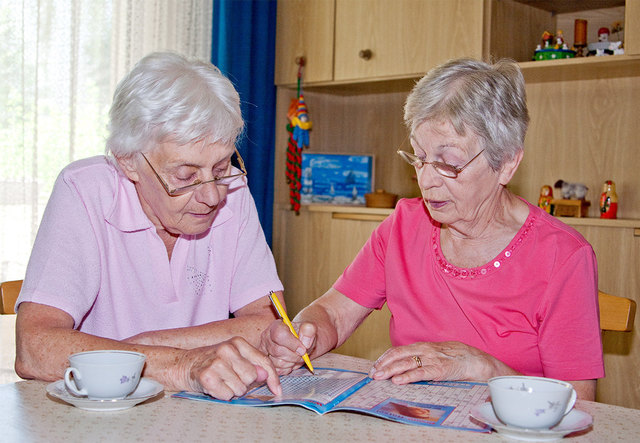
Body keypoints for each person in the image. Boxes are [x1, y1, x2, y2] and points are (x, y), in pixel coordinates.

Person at [261, 58, 603, 400]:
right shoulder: (403, 226)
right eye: (419, 157)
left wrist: (484, 368)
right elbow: (333, 314)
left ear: (507, 163)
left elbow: (580, 404)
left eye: (448, 163)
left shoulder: (562, 256)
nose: (426, 181)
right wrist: (303, 335)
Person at [15, 52, 284, 399]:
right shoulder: (84, 190)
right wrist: (181, 365)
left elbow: (268, 323)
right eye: (185, 175)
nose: (212, 196)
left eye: (220, 168)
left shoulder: (231, 188)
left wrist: (138, 347)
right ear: (128, 161)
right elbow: (34, 348)